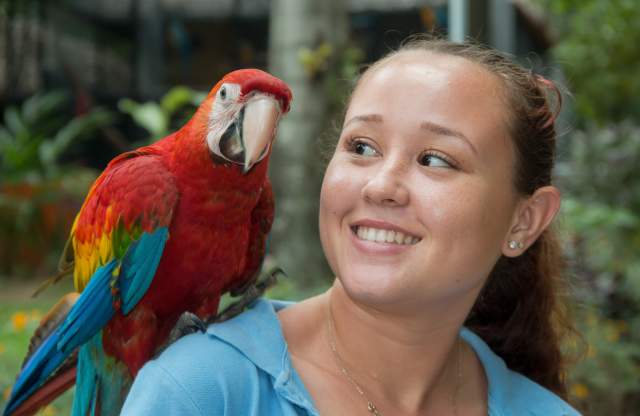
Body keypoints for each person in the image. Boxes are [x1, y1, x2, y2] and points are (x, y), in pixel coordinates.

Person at [122, 37, 581, 415]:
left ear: (525, 220)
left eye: (435, 159)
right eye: (362, 147)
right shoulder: (202, 391)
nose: (382, 186)